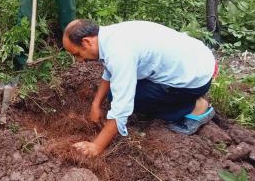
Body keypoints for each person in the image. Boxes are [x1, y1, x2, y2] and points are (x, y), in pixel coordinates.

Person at [62, 19, 217, 157]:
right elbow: (110, 71)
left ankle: (195, 107)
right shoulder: (109, 36)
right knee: (114, 94)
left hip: (196, 79)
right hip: (194, 60)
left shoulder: (119, 52)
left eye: (77, 54)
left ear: (87, 41)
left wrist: (97, 146)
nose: (80, 61)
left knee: (133, 100)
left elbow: (122, 107)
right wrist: (96, 104)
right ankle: (175, 99)